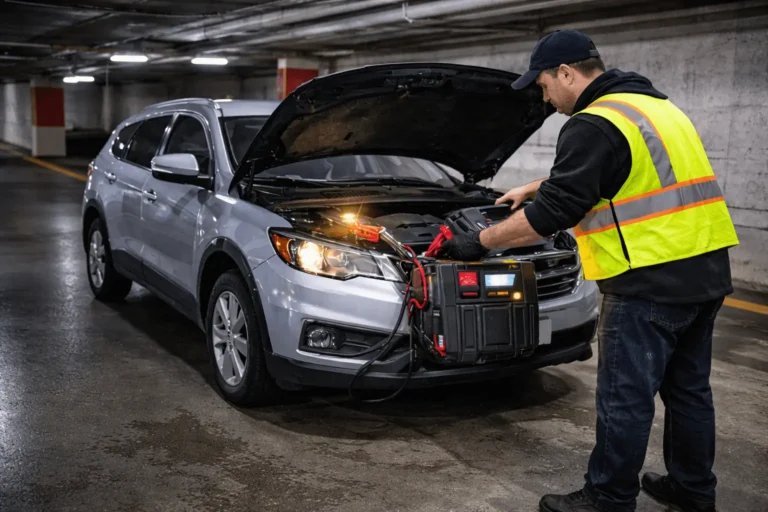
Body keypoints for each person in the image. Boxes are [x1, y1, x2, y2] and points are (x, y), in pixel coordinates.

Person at [436, 30, 739, 512]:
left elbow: (555, 214)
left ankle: (609, 498)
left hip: (647, 279)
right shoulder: (655, 107)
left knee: (625, 397)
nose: (543, 96)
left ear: (566, 73)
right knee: (689, 392)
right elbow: (622, 169)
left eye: (542, 85)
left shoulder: (592, 122)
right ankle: (693, 489)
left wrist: (479, 242)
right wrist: (537, 185)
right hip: (705, 270)